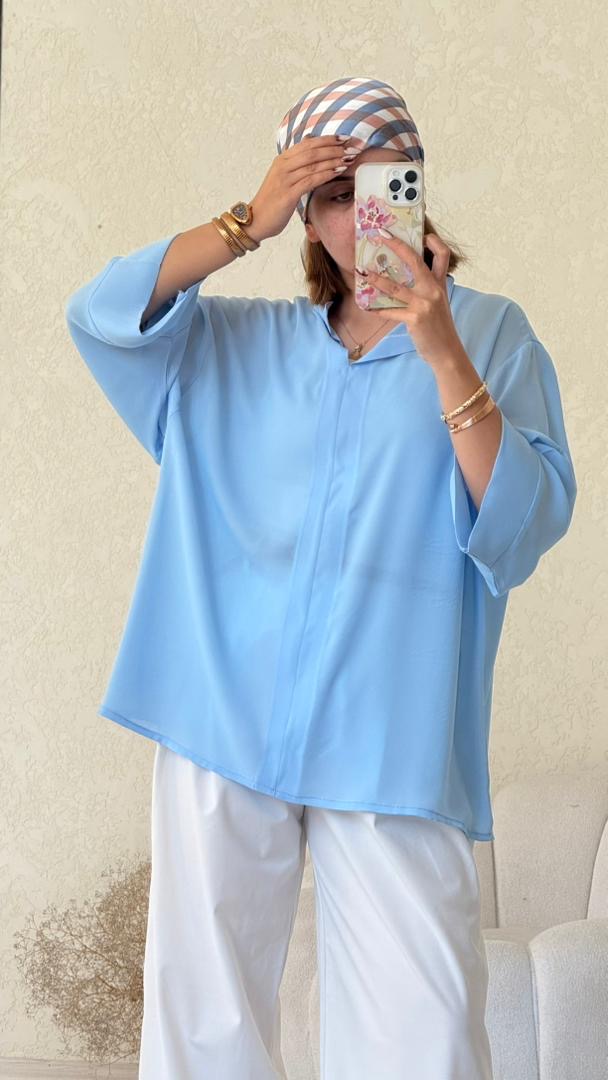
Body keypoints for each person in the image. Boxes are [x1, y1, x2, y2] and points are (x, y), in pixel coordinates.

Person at [64, 76, 577, 1079]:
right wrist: (242, 223)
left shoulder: (491, 335)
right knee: (203, 1025)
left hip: (390, 730)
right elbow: (100, 316)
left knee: (421, 1035)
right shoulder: (231, 345)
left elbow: (522, 522)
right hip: (222, 711)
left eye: (381, 185)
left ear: (415, 186)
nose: (357, 216)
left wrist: (441, 352)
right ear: (304, 214)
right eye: (330, 194)